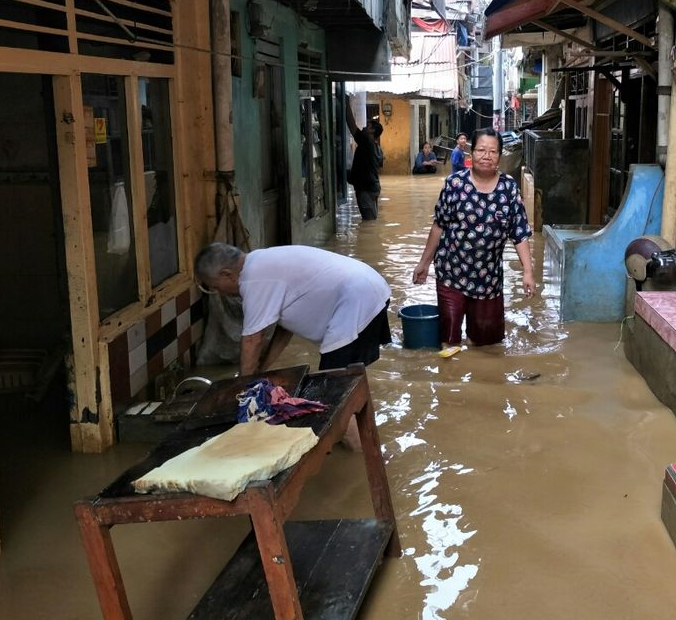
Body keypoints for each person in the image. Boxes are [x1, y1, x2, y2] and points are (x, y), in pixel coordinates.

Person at [195, 242, 392, 449]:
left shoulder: (253, 279)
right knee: (344, 382)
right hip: (368, 290)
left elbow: (253, 340)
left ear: (227, 274)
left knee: (331, 392)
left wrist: (245, 391)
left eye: (216, 287)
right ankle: (360, 438)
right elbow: (285, 328)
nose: (221, 293)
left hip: (356, 301)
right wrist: (261, 369)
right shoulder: (262, 263)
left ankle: (361, 456)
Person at [411, 129, 535, 346]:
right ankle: (450, 378)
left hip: (488, 280)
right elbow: (438, 227)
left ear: (499, 155)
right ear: (471, 152)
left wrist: (528, 272)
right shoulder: (454, 184)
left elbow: (520, 233)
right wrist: (424, 263)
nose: (486, 156)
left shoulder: (508, 189)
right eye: (481, 150)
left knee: (487, 344)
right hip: (451, 273)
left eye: (492, 151)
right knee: (449, 340)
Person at [345, 98, 385, 220]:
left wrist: (346, 104)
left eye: (367, 126)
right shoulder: (377, 148)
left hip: (366, 189)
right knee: (372, 220)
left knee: (369, 223)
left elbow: (352, 127)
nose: (363, 127)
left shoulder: (367, 142)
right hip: (373, 187)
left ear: (372, 131)